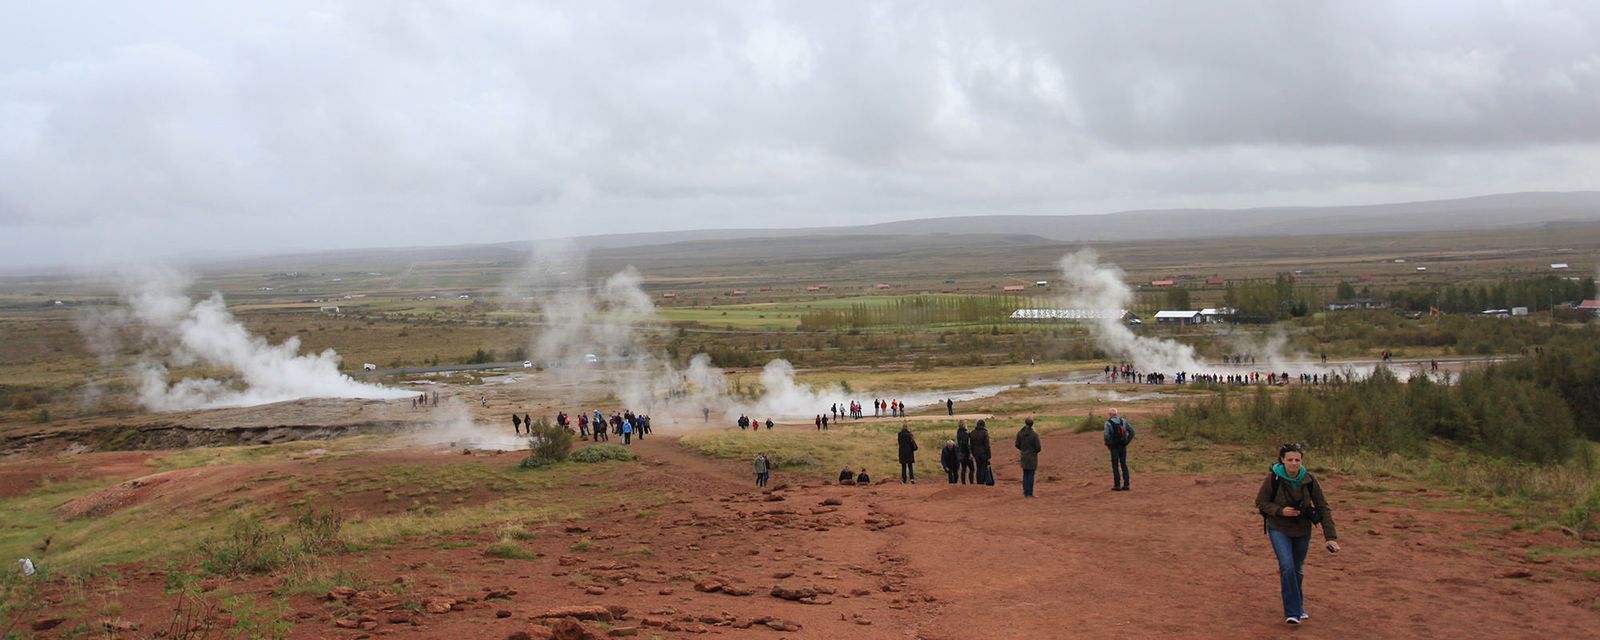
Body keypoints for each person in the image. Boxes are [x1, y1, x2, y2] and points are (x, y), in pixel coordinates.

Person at [1255, 443, 1341, 625]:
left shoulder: (1309, 480)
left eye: (1297, 460)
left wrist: (1330, 538)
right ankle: (1293, 612)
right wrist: (1280, 511)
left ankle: (1298, 606)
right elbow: (1261, 502)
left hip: (1302, 530)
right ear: (1282, 460)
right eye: (1290, 460)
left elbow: (1323, 507)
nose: (1294, 463)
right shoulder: (1273, 479)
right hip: (1278, 528)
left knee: (1297, 569)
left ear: (1302, 461)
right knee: (1287, 566)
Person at [1104, 409, 1136, 491]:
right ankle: (1126, 484)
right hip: (1123, 446)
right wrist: (1126, 442)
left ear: (1110, 414)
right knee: (1123, 464)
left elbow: (1106, 436)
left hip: (1114, 447)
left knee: (1115, 465)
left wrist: (1108, 444)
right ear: (1116, 414)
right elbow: (1132, 432)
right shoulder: (1123, 421)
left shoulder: (1108, 423)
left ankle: (1117, 485)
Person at [1014, 418, 1041, 497]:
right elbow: (1038, 448)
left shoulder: (1020, 433)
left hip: (1024, 456)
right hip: (1032, 457)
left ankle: (1025, 492)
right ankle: (1030, 493)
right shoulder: (1034, 435)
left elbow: (1016, 444)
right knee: (1031, 475)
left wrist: (1023, 450)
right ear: (1032, 424)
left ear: (1025, 423)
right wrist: (1033, 451)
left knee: (1025, 475)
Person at [970, 419, 993, 486]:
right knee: (984, 468)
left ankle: (979, 482)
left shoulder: (972, 432)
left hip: (976, 453)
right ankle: (982, 482)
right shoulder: (985, 433)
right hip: (983, 453)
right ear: (983, 425)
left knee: (978, 468)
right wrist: (989, 456)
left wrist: (973, 453)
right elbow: (987, 446)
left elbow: (971, 445)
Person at [956, 420, 974, 484]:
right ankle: (971, 482)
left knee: (963, 468)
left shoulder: (958, 432)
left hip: (961, 453)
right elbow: (966, 444)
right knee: (972, 469)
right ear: (964, 424)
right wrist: (970, 453)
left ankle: (963, 483)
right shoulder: (965, 433)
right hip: (966, 453)